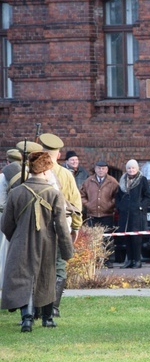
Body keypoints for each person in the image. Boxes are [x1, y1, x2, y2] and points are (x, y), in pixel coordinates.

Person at [1, 151, 75, 332]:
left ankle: (27, 318)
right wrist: (67, 251)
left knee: (23, 278)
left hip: (20, 243)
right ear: (44, 171)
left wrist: (17, 238)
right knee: (46, 278)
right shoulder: (54, 194)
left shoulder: (16, 192)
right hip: (46, 243)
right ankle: (47, 318)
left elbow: (5, 224)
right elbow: (61, 227)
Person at [38, 133, 82, 317]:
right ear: (58, 155)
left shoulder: (33, 172)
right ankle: (53, 308)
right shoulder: (65, 174)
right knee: (59, 265)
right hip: (61, 224)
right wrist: (76, 227)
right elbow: (76, 202)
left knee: (38, 266)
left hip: (38, 225)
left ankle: (37, 309)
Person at [1, 142, 44, 291]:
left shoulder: (5, 176)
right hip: (29, 220)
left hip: (7, 219)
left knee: (6, 255)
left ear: (8, 160)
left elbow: (2, 203)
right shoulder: (31, 175)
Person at [80, 160, 119, 268]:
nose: (101, 170)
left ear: (106, 170)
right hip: (92, 214)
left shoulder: (112, 182)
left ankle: (107, 260)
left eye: (103, 168)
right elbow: (82, 194)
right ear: (95, 169)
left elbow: (117, 196)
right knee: (93, 239)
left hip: (107, 214)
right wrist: (87, 204)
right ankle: (95, 260)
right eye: (99, 168)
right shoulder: (89, 181)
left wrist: (110, 205)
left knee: (107, 239)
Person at [116, 159, 150, 269]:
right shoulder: (122, 181)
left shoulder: (142, 180)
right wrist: (120, 207)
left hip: (137, 215)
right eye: (129, 168)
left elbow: (148, 196)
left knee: (136, 239)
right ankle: (129, 260)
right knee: (127, 238)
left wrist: (141, 206)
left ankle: (137, 260)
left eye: (133, 168)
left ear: (137, 169)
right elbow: (118, 197)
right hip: (125, 215)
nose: (131, 170)